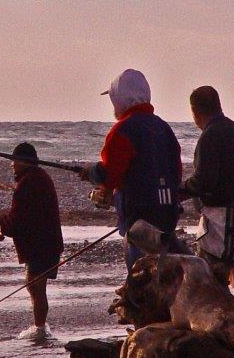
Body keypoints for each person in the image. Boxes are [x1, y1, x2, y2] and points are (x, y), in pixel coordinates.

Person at [78, 69, 188, 271]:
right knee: (165, 279)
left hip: (138, 223)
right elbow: (176, 172)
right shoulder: (163, 128)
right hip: (168, 216)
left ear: (120, 99)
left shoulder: (123, 130)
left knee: (141, 280)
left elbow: (109, 173)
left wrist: (91, 172)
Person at [178, 86, 234, 313]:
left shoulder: (210, 136)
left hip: (224, 218)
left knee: (210, 275)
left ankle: (224, 322)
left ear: (194, 111)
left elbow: (204, 180)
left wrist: (179, 191)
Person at [0, 142, 65, 341]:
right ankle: (40, 326)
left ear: (23, 161)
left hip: (40, 245)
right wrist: (4, 222)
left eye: (14, 161)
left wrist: (2, 222)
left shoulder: (27, 183)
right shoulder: (39, 177)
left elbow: (18, 221)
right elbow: (25, 216)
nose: (12, 165)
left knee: (35, 286)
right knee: (36, 286)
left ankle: (40, 328)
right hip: (47, 242)